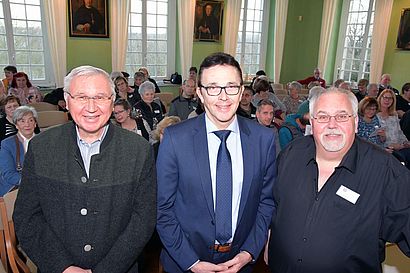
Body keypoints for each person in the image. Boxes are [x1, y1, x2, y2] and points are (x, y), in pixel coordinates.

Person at [13, 65, 156, 273]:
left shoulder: (138, 150)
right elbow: (27, 217)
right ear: (67, 100)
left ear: (112, 101)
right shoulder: (42, 147)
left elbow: (143, 220)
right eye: (81, 97)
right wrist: (62, 266)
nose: (91, 107)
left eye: (100, 97)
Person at [268, 87, 410, 273]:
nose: (332, 124)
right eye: (323, 116)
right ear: (312, 122)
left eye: (342, 116)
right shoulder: (291, 154)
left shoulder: (386, 171)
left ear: (356, 122)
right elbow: (274, 205)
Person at [157, 52, 276, 273]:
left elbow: (266, 203)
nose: (223, 96)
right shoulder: (175, 139)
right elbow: (162, 209)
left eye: (231, 86)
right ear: (200, 93)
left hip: (239, 262)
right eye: (213, 87)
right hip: (184, 261)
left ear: (241, 91)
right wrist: (192, 262)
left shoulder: (264, 139)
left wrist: (248, 252)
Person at [377, 89, 410, 168]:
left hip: (399, 145)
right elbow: (375, 137)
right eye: (385, 97)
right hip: (386, 147)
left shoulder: (393, 115)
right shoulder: (375, 115)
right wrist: (390, 145)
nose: (387, 100)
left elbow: (399, 132)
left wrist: (406, 142)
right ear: (380, 98)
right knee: (401, 158)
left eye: (390, 98)